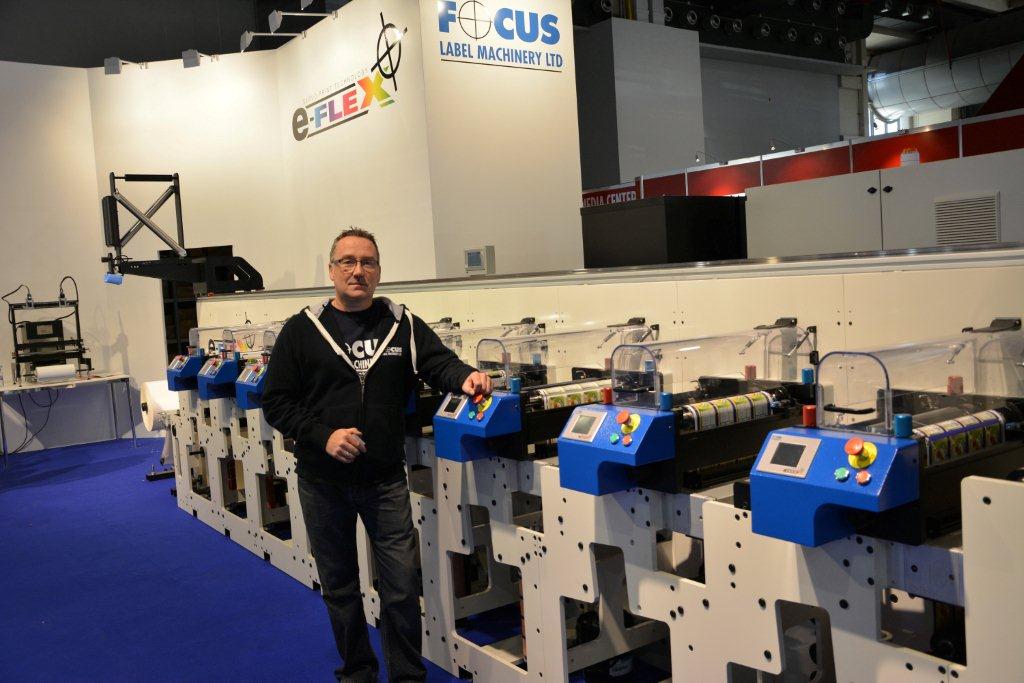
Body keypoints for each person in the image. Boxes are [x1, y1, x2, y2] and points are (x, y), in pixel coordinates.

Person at [262, 227, 492, 682]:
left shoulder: (401, 324)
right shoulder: (301, 330)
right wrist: (323, 436)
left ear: (379, 271)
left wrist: (465, 376)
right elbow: (276, 402)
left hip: (384, 479)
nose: (357, 271)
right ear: (331, 271)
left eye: (367, 262)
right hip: (322, 481)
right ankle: (358, 672)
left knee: (401, 587)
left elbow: (438, 362)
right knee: (340, 587)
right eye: (347, 262)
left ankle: (407, 676)